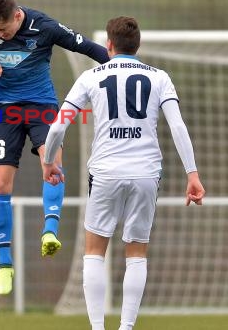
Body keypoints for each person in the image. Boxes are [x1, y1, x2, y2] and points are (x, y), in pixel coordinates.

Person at [43, 16, 205, 330]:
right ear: (138, 45)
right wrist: (192, 173)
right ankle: (127, 327)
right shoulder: (159, 77)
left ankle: (97, 328)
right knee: (136, 253)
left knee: (94, 251)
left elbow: (59, 125)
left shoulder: (91, 77)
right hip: (146, 173)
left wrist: (50, 160)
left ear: (109, 45)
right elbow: (177, 126)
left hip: (105, 171)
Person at [0, 0, 110, 295]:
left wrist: (119, 65)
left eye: (4, 29)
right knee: (0, 183)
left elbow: (86, 47)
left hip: (40, 105)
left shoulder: (44, 26)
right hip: (0, 110)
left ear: (17, 15)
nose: (0, 35)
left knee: (52, 161)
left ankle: (50, 231)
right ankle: (5, 265)